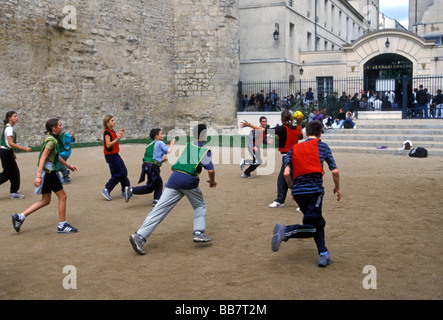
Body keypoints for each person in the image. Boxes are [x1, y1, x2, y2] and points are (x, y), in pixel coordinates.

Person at [129, 124, 217, 255]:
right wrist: (212, 180)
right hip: (188, 181)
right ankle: (199, 232)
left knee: (159, 209)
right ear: (204, 135)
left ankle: (140, 236)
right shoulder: (205, 150)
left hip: (174, 178)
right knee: (199, 205)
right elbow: (210, 170)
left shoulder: (189, 145)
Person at [271, 120, 342, 267]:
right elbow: (334, 170)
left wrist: (292, 188)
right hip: (314, 192)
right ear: (320, 133)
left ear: (306, 133)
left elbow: (286, 173)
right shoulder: (323, 146)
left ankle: (323, 254)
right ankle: (285, 231)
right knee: (314, 226)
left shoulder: (294, 148)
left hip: (298, 192)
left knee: (318, 222)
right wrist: (337, 187)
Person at [11, 118, 78, 233]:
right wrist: (38, 176)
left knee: (45, 200)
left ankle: (20, 216)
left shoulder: (53, 140)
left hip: (48, 173)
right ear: (54, 128)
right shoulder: (51, 141)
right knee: (63, 197)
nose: (62, 127)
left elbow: (56, 157)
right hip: (49, 173)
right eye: (60, 125)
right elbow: (43, 157)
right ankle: (62, 225)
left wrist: (68, 165)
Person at [241, 110, 303, 208]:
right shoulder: (296, 128)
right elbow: (300, 137)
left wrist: (249, 124)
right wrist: (299, 123)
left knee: (291, 179)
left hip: (288, 156)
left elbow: (263, 130)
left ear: (282, 119)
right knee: (283, 179)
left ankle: (302, 203)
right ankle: (280, 200)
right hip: (292, 156)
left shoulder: (282, 128)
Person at [125, 128, 176, 206]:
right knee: (154, 185)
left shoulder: (151, 144)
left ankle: (156, 199)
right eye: (161, 134)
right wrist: (171, 144)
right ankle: (131, 190)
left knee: (154, 185)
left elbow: (152, 156)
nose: (162, 135)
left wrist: (161, 161)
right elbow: (168, 151)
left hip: (148, 166)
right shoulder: (159, 142)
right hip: (153, 167)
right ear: (156, 136)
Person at [0, 111, 32, 199]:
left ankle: (14, 192)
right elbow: (10, 143)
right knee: (7, 174)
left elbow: (7, 143)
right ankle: (13, 192)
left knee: (14, 172)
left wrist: (12, 152)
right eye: (14, 116)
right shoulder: (9, 128)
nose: (16, 118)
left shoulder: (9, 127)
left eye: (17, 116)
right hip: (5, 152)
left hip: (6, 151)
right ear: (9, 118)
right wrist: (24, 148)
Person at [101, 115, 130, 201]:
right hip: (111, 156)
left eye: (114, 120)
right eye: (112, 121)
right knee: (120, 173)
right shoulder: (106, 132)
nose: (114, 122)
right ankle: (107, 189)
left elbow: (115, 140)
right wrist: (118, 138)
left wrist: (119, 135)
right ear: (107, 123)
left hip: (115, 154)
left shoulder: (112, 130)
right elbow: (108, 144)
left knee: (123, 171)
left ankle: (126, 191)